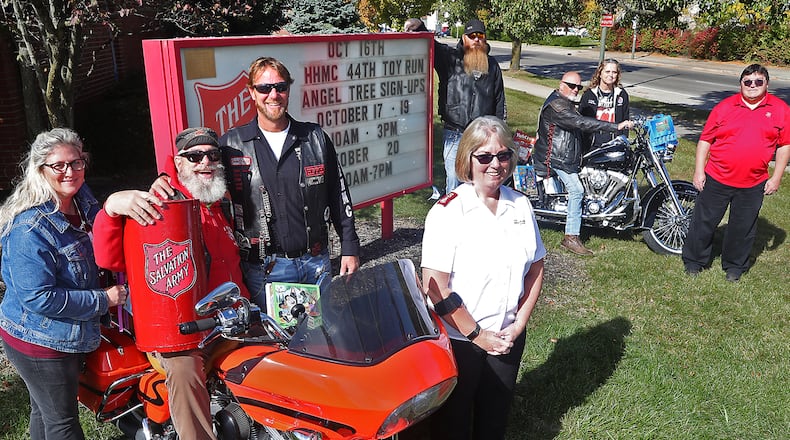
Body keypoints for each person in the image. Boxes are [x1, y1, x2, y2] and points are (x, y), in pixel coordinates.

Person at [153, 57, 360, 309]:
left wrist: (350, 247)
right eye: (264, 88)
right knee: (275, 343)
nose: (273, 94)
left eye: (280, 87)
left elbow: (338, 194)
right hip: (265, 270)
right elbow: (196, 170)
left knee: (320, 336)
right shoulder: (231, 144)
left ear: (288, 90)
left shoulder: (314, 138)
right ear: (252, 92)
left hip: (315, 263)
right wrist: (164, 178)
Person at [93, 127, 251, 440]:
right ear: (177, 163)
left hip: (233, 318)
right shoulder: (161, 205)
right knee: (184, 371)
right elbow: (110, 258)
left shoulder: (221, 201)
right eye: (194, 156)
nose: (205, 162)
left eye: (212, 155)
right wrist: (110, 208)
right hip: (182, 332)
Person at [420, 116, 545, 439]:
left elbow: (536, 268)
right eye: (485, 156)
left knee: (494, 421)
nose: (496, 164)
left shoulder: (521, 206)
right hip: (460, 343)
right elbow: (436, 286)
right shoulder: (448, 212)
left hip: (507, 338)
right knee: (453, 425)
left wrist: (517, 326)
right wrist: (477, 335)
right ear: (467, 159)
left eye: (503, 155)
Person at [0, 128, 127, 440]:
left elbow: (101, 220)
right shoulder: (29, 228)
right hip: (40, 340)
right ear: (40, 170)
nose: (70, 171)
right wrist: (104, 299)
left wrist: (116, 207)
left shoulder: (79, 197)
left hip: (62, 334)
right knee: (63, 424)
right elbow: (39, 299)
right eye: (60, 165)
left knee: (45, 411)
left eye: (77, 162)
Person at [682, 64, 790, 282]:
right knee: (704, 222)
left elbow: (784, 146)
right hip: (717, 177)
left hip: (753, 182)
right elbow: (705, 140)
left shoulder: (780, 110)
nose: (752, 86)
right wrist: (699, 171)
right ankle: (694, 261)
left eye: (758, 82)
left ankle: (734, 267)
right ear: (740, 83)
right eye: (747, 82)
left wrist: (777, 177)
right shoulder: (724, 107)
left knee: (743, 227)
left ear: (767, 84)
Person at [532, 71, 633, 256]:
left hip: (566, 156)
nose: (576, 90)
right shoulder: (557, 105)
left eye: (579, 86)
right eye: (572, 86)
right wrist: (615, 127)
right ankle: (570, 237)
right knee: (577, 190)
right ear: (561, 84)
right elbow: (580, 123)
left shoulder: (566, 102)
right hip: (555, 158)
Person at [407, 17, 506, 195]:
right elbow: (433, 46)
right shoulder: (450, 59)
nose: (476, 39)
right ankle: (452, 220)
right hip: (455, 133)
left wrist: (499, 133)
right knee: (454, 182)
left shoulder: (492, 65)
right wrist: (419, 26)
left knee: (481, 182)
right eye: (472, 35)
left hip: (482, 135)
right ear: (464, 38)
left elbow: (499, 100)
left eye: (480, 36)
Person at [578, 58, 630, 152]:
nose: (610, 75)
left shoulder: (622, 94)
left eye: (614, 72)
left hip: (614, 144)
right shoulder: (589, 94)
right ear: (600, 73)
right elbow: (581, 121)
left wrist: (624, 141)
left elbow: (625, 119)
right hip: (592, 145)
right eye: (607, 71)